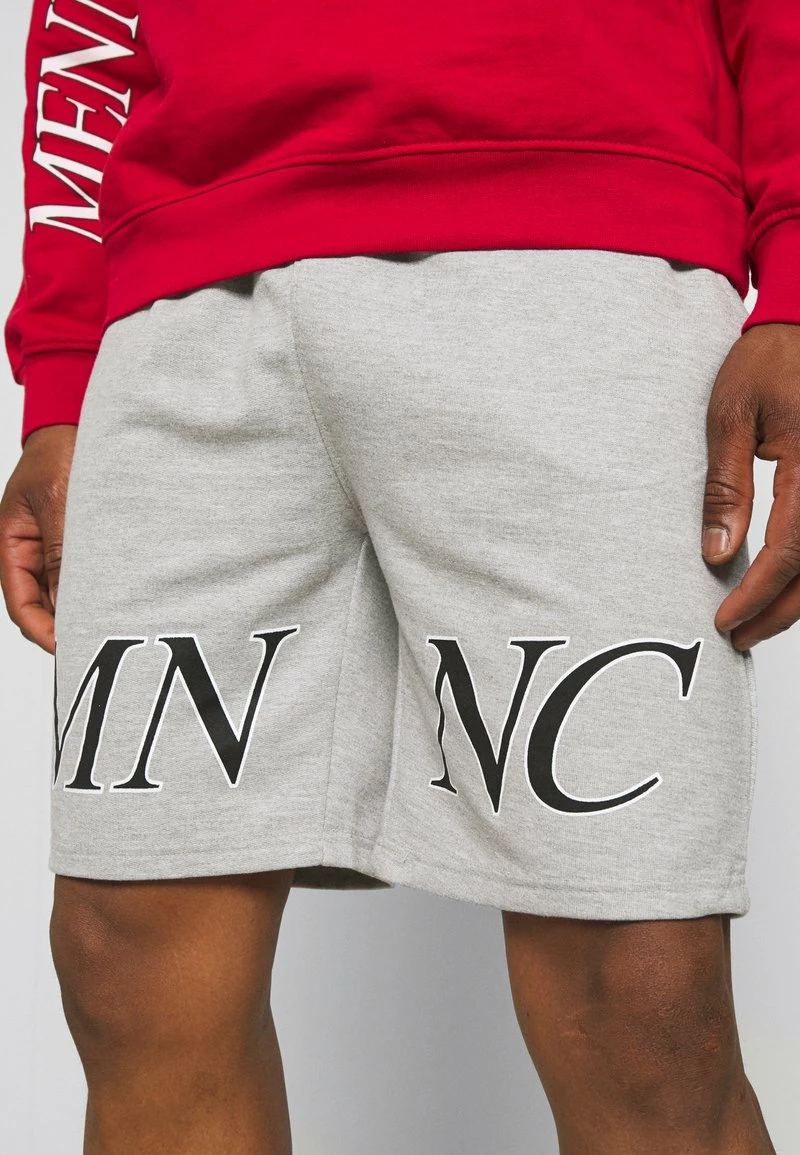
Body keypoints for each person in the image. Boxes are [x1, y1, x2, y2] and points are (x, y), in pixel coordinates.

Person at [0, 0, 795, 1151]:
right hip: (188, 293)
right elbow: (83, 19)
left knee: (641, 998)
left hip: (583, 247)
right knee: (126, 959)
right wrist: (64, 366)